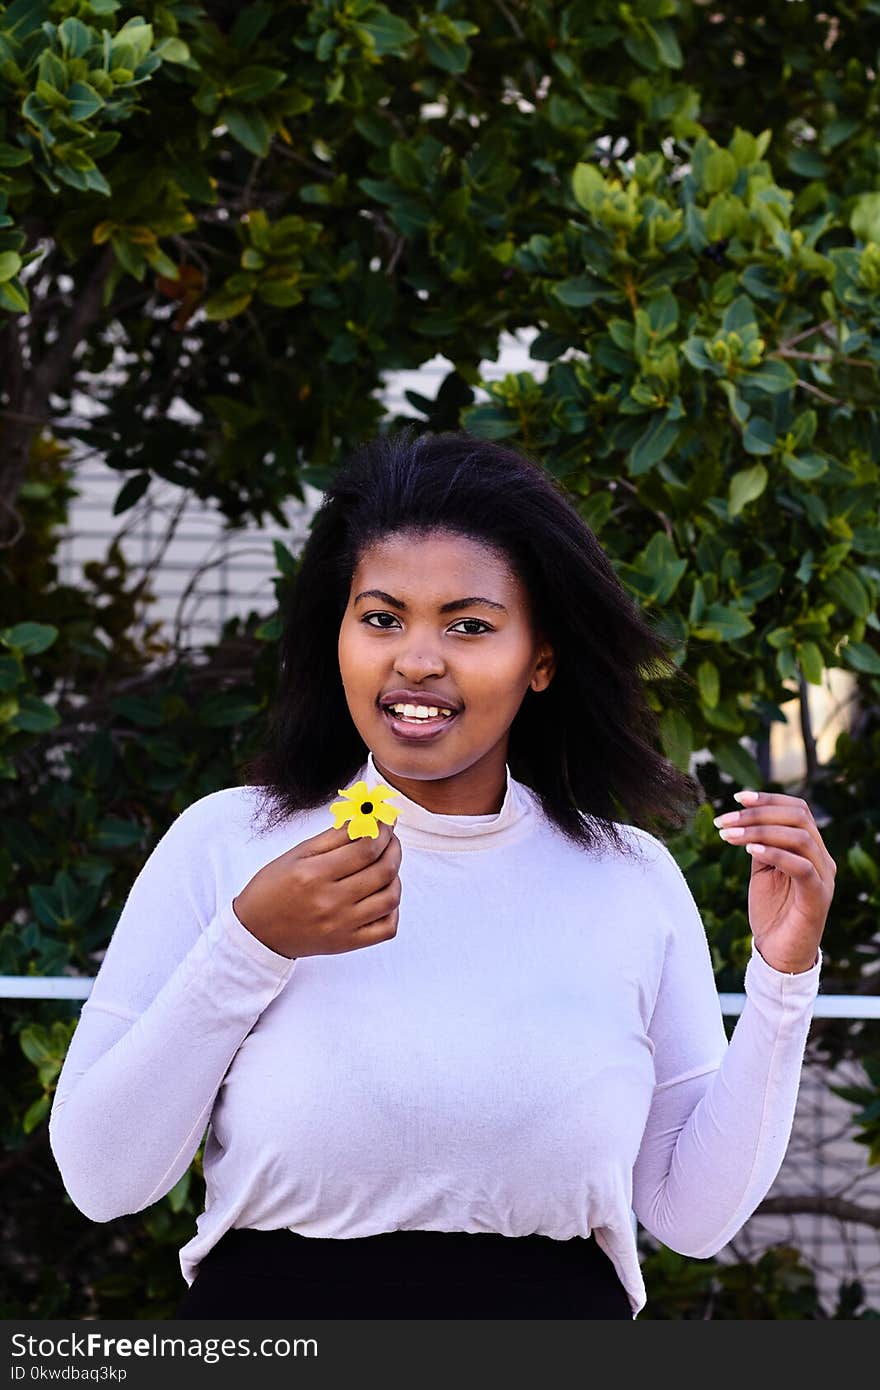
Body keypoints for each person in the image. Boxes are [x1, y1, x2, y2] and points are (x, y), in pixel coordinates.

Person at [49, 427, 833, 1320]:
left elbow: (690, 1219)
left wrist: (782, 980)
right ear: (336, 635)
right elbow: (102, 1180)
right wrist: (249, 944)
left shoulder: (630, 878)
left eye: (469, 625)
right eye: (381, 618)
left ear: (540, 660)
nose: (417, 659)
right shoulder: (227, 845)